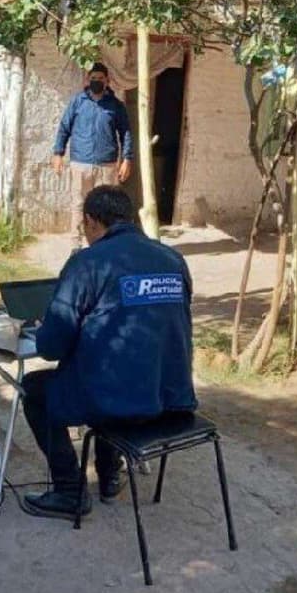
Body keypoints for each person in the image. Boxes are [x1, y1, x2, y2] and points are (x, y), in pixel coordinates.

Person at [23, 186, 197, 519]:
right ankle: (109, 476)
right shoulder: (173, 259)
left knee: (37, 390)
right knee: (120, 371)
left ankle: (70, 492)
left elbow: (50, 347)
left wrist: (53, 324)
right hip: (169, 399)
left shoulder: (87, 263)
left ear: (89, 221)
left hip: (119, 403)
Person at [51, 63, 134, 250]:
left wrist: (127, 159)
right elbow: (64, 128)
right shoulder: (77, 102)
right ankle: (76, 245)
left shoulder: (115, 105)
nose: (97, 82)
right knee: (79, 204)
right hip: (81, 163)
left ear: (107, 81)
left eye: (101, 79)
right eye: (93, 78)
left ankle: (105, 244)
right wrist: (58, 154)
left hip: (107, 165)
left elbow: (126, 133)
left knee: (106, 207)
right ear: (87, 80)